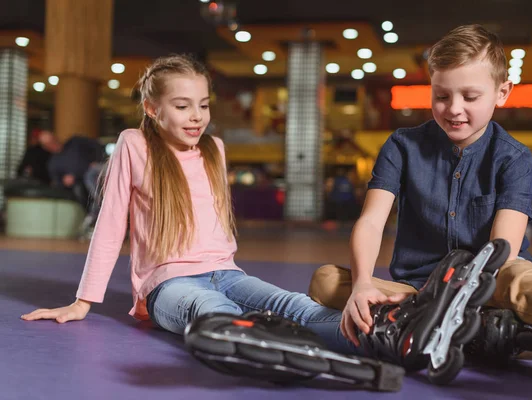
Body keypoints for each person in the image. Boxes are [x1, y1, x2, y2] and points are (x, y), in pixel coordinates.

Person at [20, 55, 406, 389]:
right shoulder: (134, 144)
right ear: (153, 109)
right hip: (169, 285)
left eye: (203, 105)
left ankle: (387, 337)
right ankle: (294, 355)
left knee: (292, 305)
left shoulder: (214, 149)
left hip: (228, 271)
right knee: (215, 312)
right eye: (183, 106)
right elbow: (109, 224)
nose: (196, 117)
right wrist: (82, 302)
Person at [308, 25, 532, 375]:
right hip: (419, 290)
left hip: (492, 280)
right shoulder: (401, 146)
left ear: (502, 92)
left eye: (470, 97)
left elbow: (502, 247)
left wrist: (463, 292)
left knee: (529, 283)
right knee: (326, 280)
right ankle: (483, 328)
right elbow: (371, 221)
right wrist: (362, 284)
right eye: (442, 96)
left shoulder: (514, 158)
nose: (454, 109)